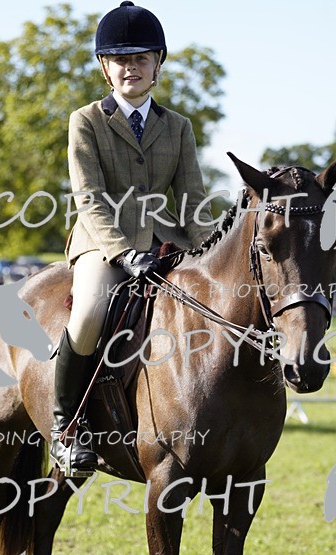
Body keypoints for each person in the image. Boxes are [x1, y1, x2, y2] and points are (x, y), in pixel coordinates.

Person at [50, 0, 215, 476]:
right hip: (102, 244)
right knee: (89, 312)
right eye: (120, 59)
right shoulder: (86, 120)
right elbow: (89, 196)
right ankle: (66, 427)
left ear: (157, 65)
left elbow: (193, 200)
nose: (131, 68)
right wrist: (122, 252)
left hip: (164, 241)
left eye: (141, 58)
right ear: (105, 67)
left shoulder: (178, 127)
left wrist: (209, 253)